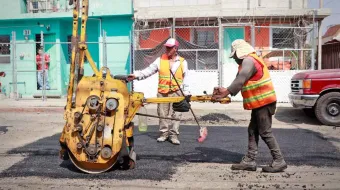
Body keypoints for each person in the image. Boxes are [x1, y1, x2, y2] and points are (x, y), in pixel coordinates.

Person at [212, 39, 287, 173]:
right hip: (259, 103)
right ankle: (249, 160)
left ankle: (279, 160)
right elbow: (238, 82)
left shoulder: (249, 60)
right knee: (252, 130)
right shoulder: (247, 62)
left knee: (265, 132)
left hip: (263, 102)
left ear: (240, 52)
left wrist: (226, 92)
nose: (234, 58)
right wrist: (225, 91)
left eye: (234, 55)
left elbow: (241, 79)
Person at [127, 38, 190, 145]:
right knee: (162, 114)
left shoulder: (183, 62)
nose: (167, 49)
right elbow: (148, 70)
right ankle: (164, 134)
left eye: (170, 47)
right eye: (166, 47)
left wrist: (187, 93)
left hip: (177, 91)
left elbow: (186, 78)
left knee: (177, 114)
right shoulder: (160, 60)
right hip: (163, 91)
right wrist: (136, 75)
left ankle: (174, 135)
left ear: (175, 48)